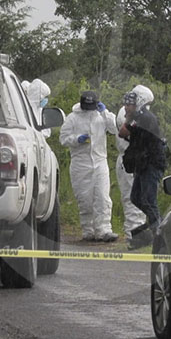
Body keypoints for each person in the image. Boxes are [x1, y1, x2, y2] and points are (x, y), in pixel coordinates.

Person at [59, 90, 119, 242]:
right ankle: (88, 230)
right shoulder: (73, 118)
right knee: (85, 199)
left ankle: (104, 230)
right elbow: (63, 138)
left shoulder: (101, 116)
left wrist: (105, 112)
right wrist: (76, 139)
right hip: (80, 163)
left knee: (103, 197)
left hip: (100, 161)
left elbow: (114, 128)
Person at [118, 85, 167, 247]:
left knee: (147, 199)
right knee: (136, 198)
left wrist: (129, 128)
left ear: (140, 101)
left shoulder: (146, 118)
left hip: (151, 165)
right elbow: (124, 132)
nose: (126, 106)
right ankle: (155, 227)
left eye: (130, 103)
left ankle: (159, 232)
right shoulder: (139, 118)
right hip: (143, 165)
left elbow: (134, 137)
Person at [115, 102, 149, 249]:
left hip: (137, 160)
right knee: (132, 199)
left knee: (140, 199)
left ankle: (139, 234)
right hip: (130, 161)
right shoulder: (127, 116)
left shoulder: (136, 115)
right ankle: (133, 235)